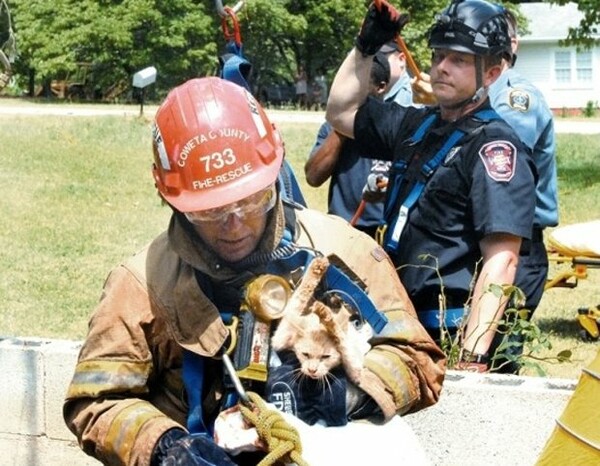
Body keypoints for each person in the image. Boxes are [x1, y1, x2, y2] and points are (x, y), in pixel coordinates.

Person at [63, 77, 446, 466]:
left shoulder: (341, 251)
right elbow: (98, 400)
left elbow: (415, 356)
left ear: (275, 174)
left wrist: (347, 394)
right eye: (209, 211)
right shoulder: (143, 283)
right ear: (171, 199)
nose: (235, 225)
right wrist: (167, 447)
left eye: (252, 201)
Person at [326, 0, 537, 372]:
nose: (440, 67)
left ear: (491, 72)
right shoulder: (416, 126)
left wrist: (471, 359)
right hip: (401, 328)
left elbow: (502, 260)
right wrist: (365, 48)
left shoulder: (494, 148)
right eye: (438, 55)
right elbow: (341, 112)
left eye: (457, 60)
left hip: (449, 334)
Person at [486, 7, 559, 372]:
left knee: (500, 361)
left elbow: (501, 162)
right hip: (485, 243)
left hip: (520, 247)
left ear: (511, 44)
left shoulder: (518, 100)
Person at [305, 52, 393, 238]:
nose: (351, 89)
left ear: (381, 87)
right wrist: (342, 127)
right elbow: (313, 178)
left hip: (385, 232)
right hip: (343, 231)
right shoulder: (332, 128)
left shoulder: (395, 125)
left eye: (359, 82)